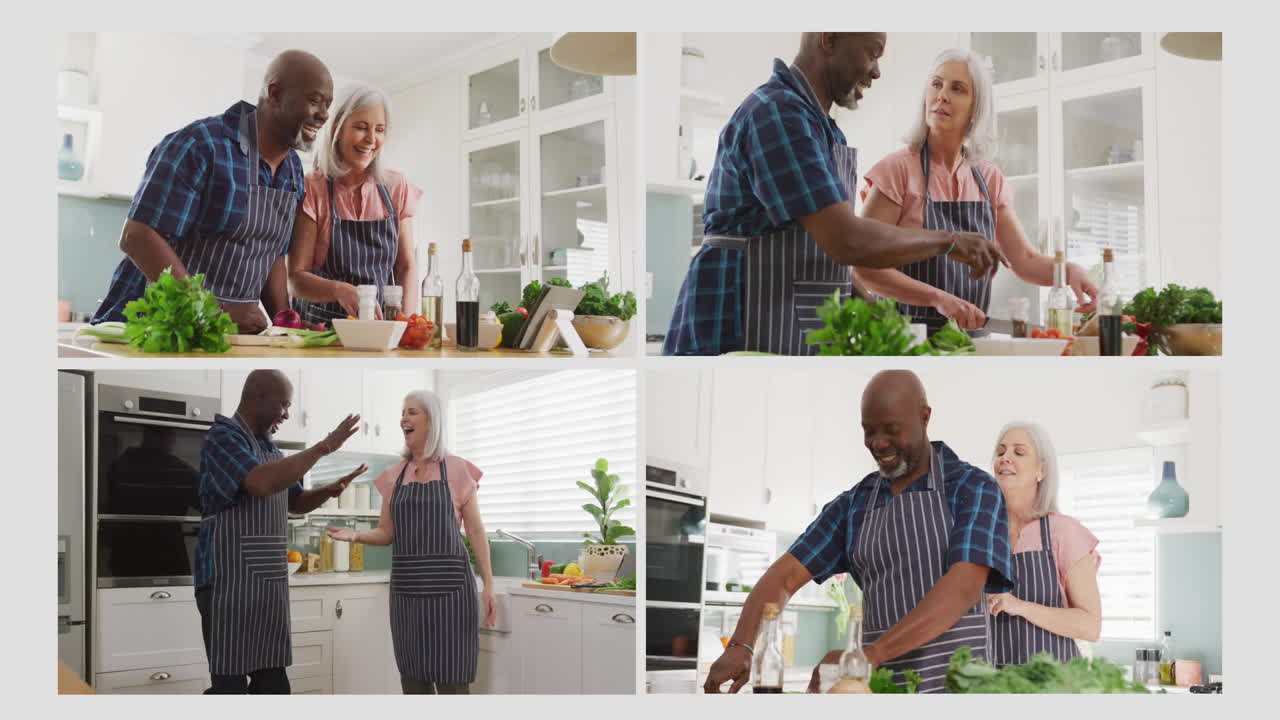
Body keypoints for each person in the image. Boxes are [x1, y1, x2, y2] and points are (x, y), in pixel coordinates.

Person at [662, 33, 1006, 356]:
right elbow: (847, 240)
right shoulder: (778, 113)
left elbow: (822, 252)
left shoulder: (822, 128)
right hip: (732, 325)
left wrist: (875, 312)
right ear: (829, 39)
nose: (877, 71)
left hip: (780, 328)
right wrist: (950, 242)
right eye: (872, 53)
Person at [702, 370, 1014, 694]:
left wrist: (870, 655)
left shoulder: (974, 488)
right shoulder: (854, 505)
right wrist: (742, 643)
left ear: (924, 417)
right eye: (868, 431)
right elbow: (784, 576)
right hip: (876, 691)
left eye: (892, 430)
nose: (878, 444)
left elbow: (963, 586)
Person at [855, 48, 1099, 334]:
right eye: (936, 84)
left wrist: (1070, 271)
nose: (942, 95)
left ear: (976, 109)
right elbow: (862, 266)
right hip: (905, 343)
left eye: (957, 89)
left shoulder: (987, 178)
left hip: (970, 344)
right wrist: (937, 299)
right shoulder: (897, 171)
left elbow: (1024, 260)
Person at [91, 51, 334, 334]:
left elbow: (272, 254)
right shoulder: (200, 145)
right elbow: (137, 236)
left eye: (327, 105)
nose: (325, 115)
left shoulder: (292, 169)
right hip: (150, 331)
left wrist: (285, 323)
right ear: (275, 94)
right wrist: (211, 310)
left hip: (221, 338)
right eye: (315, 101)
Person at [195, 370, 366, 694]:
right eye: (283, 405)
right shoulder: (223, 437)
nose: (287, 414)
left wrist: (329, 490)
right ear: (258, 397)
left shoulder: (270, 448)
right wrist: (323, 446)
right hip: (226, 583)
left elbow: (296, 502)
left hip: (267, 586)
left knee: (273, 685)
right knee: (229, 688)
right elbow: (260, 483)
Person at [327, 389, 497, 694]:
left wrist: (489, 587)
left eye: (412, 412)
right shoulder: (393, 475)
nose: (404, 418)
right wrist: (356, 536)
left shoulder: (458, 470)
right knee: (413, 682)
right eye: (403, 413)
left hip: (452, 596)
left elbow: (475, 532)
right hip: (407, 595)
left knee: (452, 684)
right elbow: (386, 533)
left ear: (432, 421)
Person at [288, 83, 422, 324]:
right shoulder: (313, 188)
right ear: (338, 128)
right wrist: (340, 290)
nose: (371, 139)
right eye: (361, 127)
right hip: (324, 333)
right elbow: (296, 280)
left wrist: (407, 322)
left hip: (380, 330)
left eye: (379, 130)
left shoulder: (396, 186)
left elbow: (406, 267)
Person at [986, 421, 1101, 666]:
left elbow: (1091, 626)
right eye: (1001, 451)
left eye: (1018, 452)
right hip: (992, 683)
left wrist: (1020, 607)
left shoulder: (1065, 533)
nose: (1005, 458)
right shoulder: (982, 533)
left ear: (1041, 471)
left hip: (1054, 683)